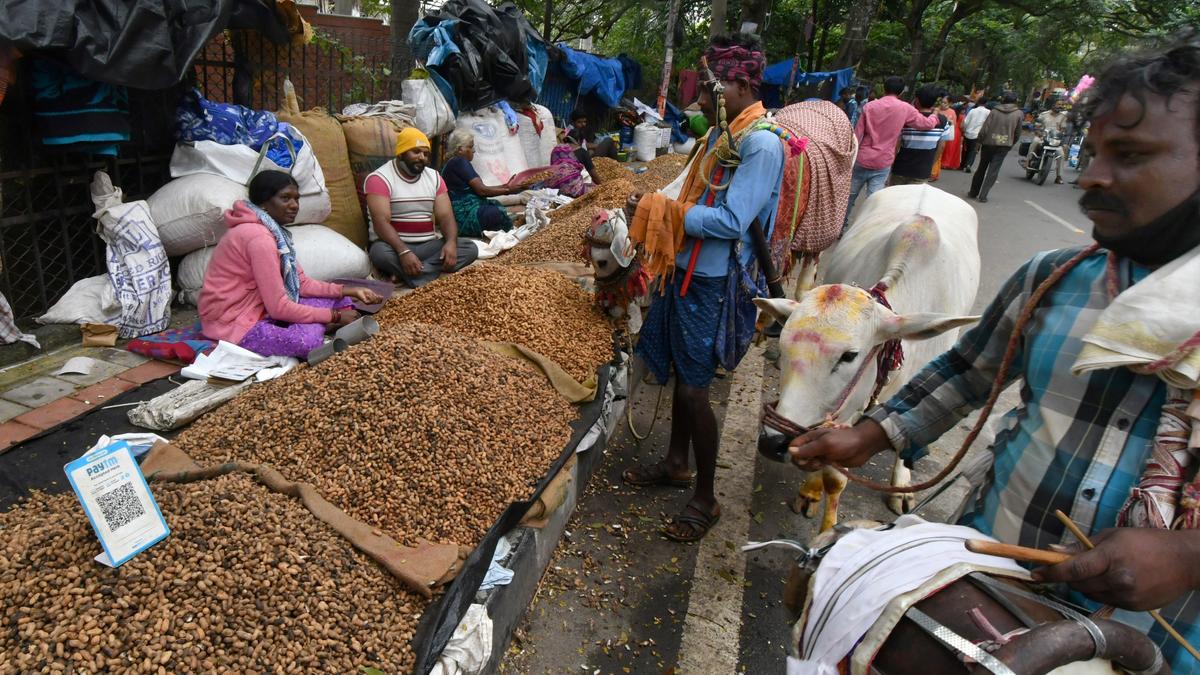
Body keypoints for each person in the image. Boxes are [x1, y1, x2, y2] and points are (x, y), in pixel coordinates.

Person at [787, 33, 1200, 672]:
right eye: (1091, 153)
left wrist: (1189, 557)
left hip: (1166, 636)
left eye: (1130, 154)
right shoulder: (1053, 278)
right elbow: (968, 370)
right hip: (990, 579)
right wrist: (871, 434)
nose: (1090, 175)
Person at [622, 32, 785, 542]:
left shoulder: (760, 142)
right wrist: (648, 202)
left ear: (736, 82)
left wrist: (663, 212)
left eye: (708, 85)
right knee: (675, 371)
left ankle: (707, 498)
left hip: (712, 282)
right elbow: (689, 188)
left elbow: (734, 221)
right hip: (681, 271)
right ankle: (675, 462)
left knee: (695, 390)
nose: (701, 96)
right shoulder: (721, 135)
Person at [199, 171, 383, 358]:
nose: (294, 205)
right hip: (234, 323)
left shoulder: (275, 234)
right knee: (308, 343)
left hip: (260, 308)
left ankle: (316, 324)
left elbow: (302, 284)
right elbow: (278, 307)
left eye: (296, 198)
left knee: (342, 301)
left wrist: (351, 290)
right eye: (285, 198)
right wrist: (334, 316)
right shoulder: (259, 238)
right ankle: (318, 326)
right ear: (263, 203)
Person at [365, 127, 478, 288]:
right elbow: (380, 222)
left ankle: (409, 275)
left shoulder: (434, 177)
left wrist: (451, 243)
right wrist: (404, 252)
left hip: (427, 246)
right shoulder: (379, 179)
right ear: (401, 153)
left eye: (425, 154)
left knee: (469, 248)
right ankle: (425, 273)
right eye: (416, 152)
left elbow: (446, 217)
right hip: (394, 247)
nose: (421, 157)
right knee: (379, 253)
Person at [845, 76, 942, 227]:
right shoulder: (905, 108)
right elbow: (926, 124)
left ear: (884, 89)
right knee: (874, 200)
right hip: (883, 162)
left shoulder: (869, 106)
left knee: (849, 196)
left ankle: (839, 226)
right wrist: (935, 116)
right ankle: (866, 228)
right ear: (902, 92)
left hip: (862, 157)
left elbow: (857, 134)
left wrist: (850, 156)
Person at [441, 129, 519, 238]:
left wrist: (506, 186)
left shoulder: (452, 163)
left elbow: (482, 189)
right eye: (470, 147)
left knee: (495, 205)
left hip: (459, 216)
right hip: (464, 217)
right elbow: (481, 191)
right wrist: (509, 190)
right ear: (460, 149)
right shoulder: (459, 161)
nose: (473, 151)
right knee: (494, 213)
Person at [886, 84, 951, 186]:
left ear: (917, 100)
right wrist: (931, 164)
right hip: (923, 170)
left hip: (901, 167)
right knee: (914, 200)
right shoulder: (943, 121)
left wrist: (890, 166)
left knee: (895, 197)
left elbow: (896, 145)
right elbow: (941, 147)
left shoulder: (907, 118)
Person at [967, 90, 1023, 202]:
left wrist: (979, 142)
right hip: (1003, 146)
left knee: (981, 168)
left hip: (988, 144)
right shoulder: (1018, 114)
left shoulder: (994, 111)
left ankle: (973, 192)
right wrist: (1011, 143)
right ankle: (983, 196)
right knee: (993, 171)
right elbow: (1017, 133)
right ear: (1015, 101)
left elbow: (985, 129)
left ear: (1003, 100)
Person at [1028, 97, 1071, 184]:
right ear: (1053, 105)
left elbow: (1063, 129)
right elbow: (1036, 126)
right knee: (1035, 141)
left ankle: (1058, 176)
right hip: (1042, 137)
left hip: (1054, 140)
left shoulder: (1063, 117)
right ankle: (1028, 161)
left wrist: (1061, 134)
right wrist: (1039, 133)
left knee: (1061, 154)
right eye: (1059, 104)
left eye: (1062, 105)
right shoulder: (1044, 114)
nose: (1060, 106)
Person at [960, 96, 990, 172]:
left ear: (979, 102)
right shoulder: (988, 112)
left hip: (968, 133)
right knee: (973, 151)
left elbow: (966, 122)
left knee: (966, 150)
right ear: (986, 103)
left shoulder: (972, 111)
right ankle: (968, 165)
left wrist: (964, 131)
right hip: (978, 135)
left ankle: (962, 164)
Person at [937, 95, 963, 174]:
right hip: (936, 133)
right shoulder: (937, 110)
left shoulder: (952, 112)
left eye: (945, 103)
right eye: (942, 102)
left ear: (950, 103)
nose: (942, 104)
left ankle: (937, 169)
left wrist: (948, 122)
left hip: (945, 134)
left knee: (942, 151)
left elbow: (954, 125)